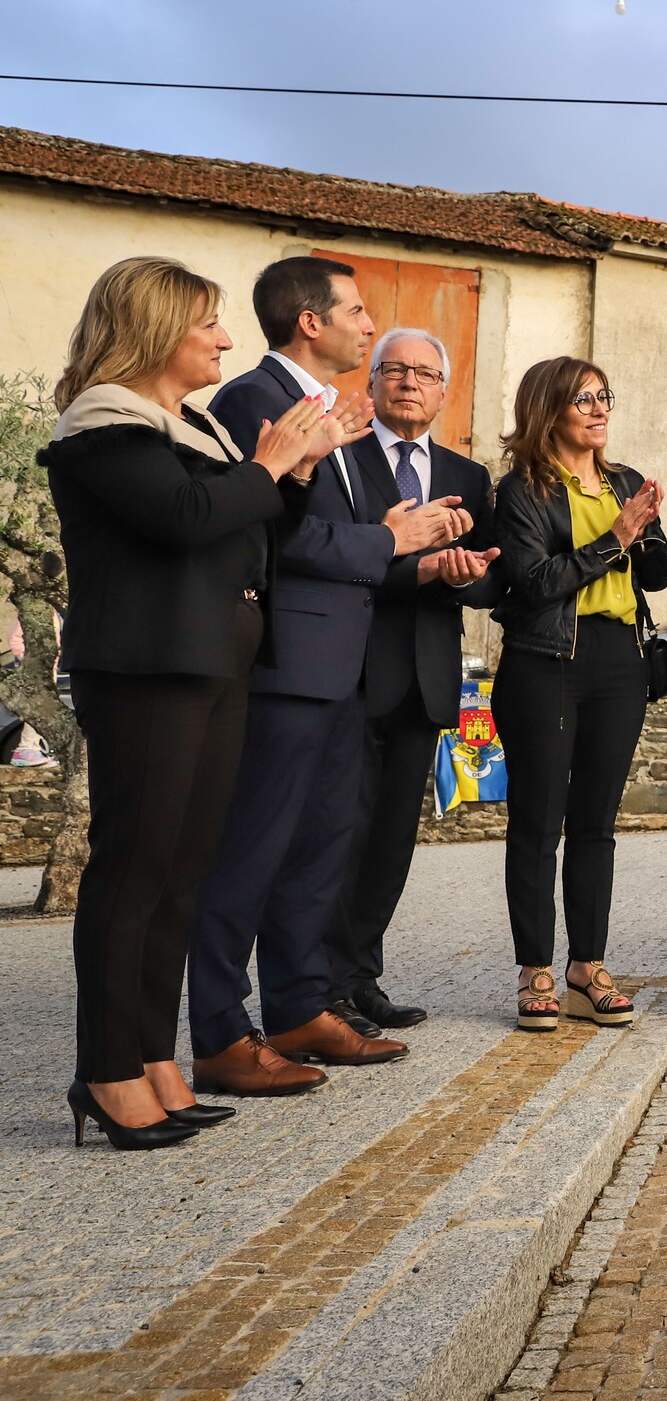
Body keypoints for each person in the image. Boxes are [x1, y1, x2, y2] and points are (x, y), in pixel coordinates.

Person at [41, 258, 336, 1146]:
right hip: (145, 670)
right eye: (208, 321)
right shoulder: (102, 424)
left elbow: (250, 523)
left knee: (180, 872)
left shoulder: (193, 427)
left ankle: (155, 1059)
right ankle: (107, 1070)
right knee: (133, 871)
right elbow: (181, 518)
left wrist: (299, 466)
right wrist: (272, 461)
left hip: (210, 668)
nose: (225, 338)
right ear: (158, 328)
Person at [192, 257, 462, 1094]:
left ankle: (302, 1005)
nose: (369, 326)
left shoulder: (327, 409)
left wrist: (388, 534)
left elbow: (328, 529)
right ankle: (220, 1029)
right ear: (310, 321)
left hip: (340, 664)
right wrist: (392, 541)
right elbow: (283, 543)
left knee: (320, 850)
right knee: (252, 852)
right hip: (284, 665)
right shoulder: (250, 402)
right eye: (356, 310)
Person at [327, 328, 501, 1033]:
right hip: (347, 670)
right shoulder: (339, 461)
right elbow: (335, 562)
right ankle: (315, 986)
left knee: (392, 838)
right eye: (393, 369)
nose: (408, 382)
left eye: (424, 373)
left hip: (425, 679)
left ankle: (360, 977)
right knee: (335, 835)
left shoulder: (469, 475)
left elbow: (489, 584)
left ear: (443, 390)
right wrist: (418, 566)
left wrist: (468, 575)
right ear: (370, 384)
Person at [493, 357, 667, 1031]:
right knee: (538, 821)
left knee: (596, 823)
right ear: (550, 411)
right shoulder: (523, 491)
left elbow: (655, 574)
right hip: (546, 660)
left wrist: (647, 532)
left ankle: (586, 966)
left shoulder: (624, 480)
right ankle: (535, 968)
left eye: (605, 396)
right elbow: (535, 582)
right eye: (584, 400)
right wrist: (614, 539)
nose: (599, 410)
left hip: (618, 661)